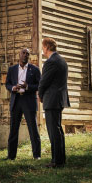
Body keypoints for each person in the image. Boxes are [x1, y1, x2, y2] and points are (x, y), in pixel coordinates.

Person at [38, 37, 70, 168]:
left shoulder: (51, 62)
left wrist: (39, 95)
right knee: (58, 130)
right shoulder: (62, 61)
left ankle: (56, 161)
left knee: (53, 131)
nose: (42, 50)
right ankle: (61, 159)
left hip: (52, 99)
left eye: (43, 47)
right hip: (60, 99)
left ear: (47, 47)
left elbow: (44, 81)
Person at [5, 48, 41, 160]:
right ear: (19, 55)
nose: (25, 55)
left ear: (29, 56)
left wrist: (28, 87)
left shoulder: (34, 69)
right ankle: (11, 156)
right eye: (23, 53)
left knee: (33, 129)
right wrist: (13, 88)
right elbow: (7, 84)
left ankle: (37, 155)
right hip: (16, 100)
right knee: (13, 129)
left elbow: (40, 85)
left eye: (27, 54)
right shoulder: (12, 69)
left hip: (28, 100)